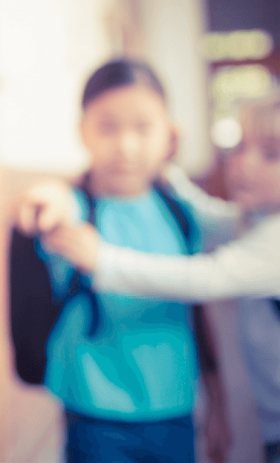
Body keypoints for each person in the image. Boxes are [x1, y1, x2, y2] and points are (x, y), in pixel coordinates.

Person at [27, 92, 280, 463]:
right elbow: (208, 214)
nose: (243, 164)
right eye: (238, 147)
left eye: (271, 154)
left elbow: (204, 278)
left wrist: (103, 260)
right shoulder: (254, 220)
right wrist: (162, 164)